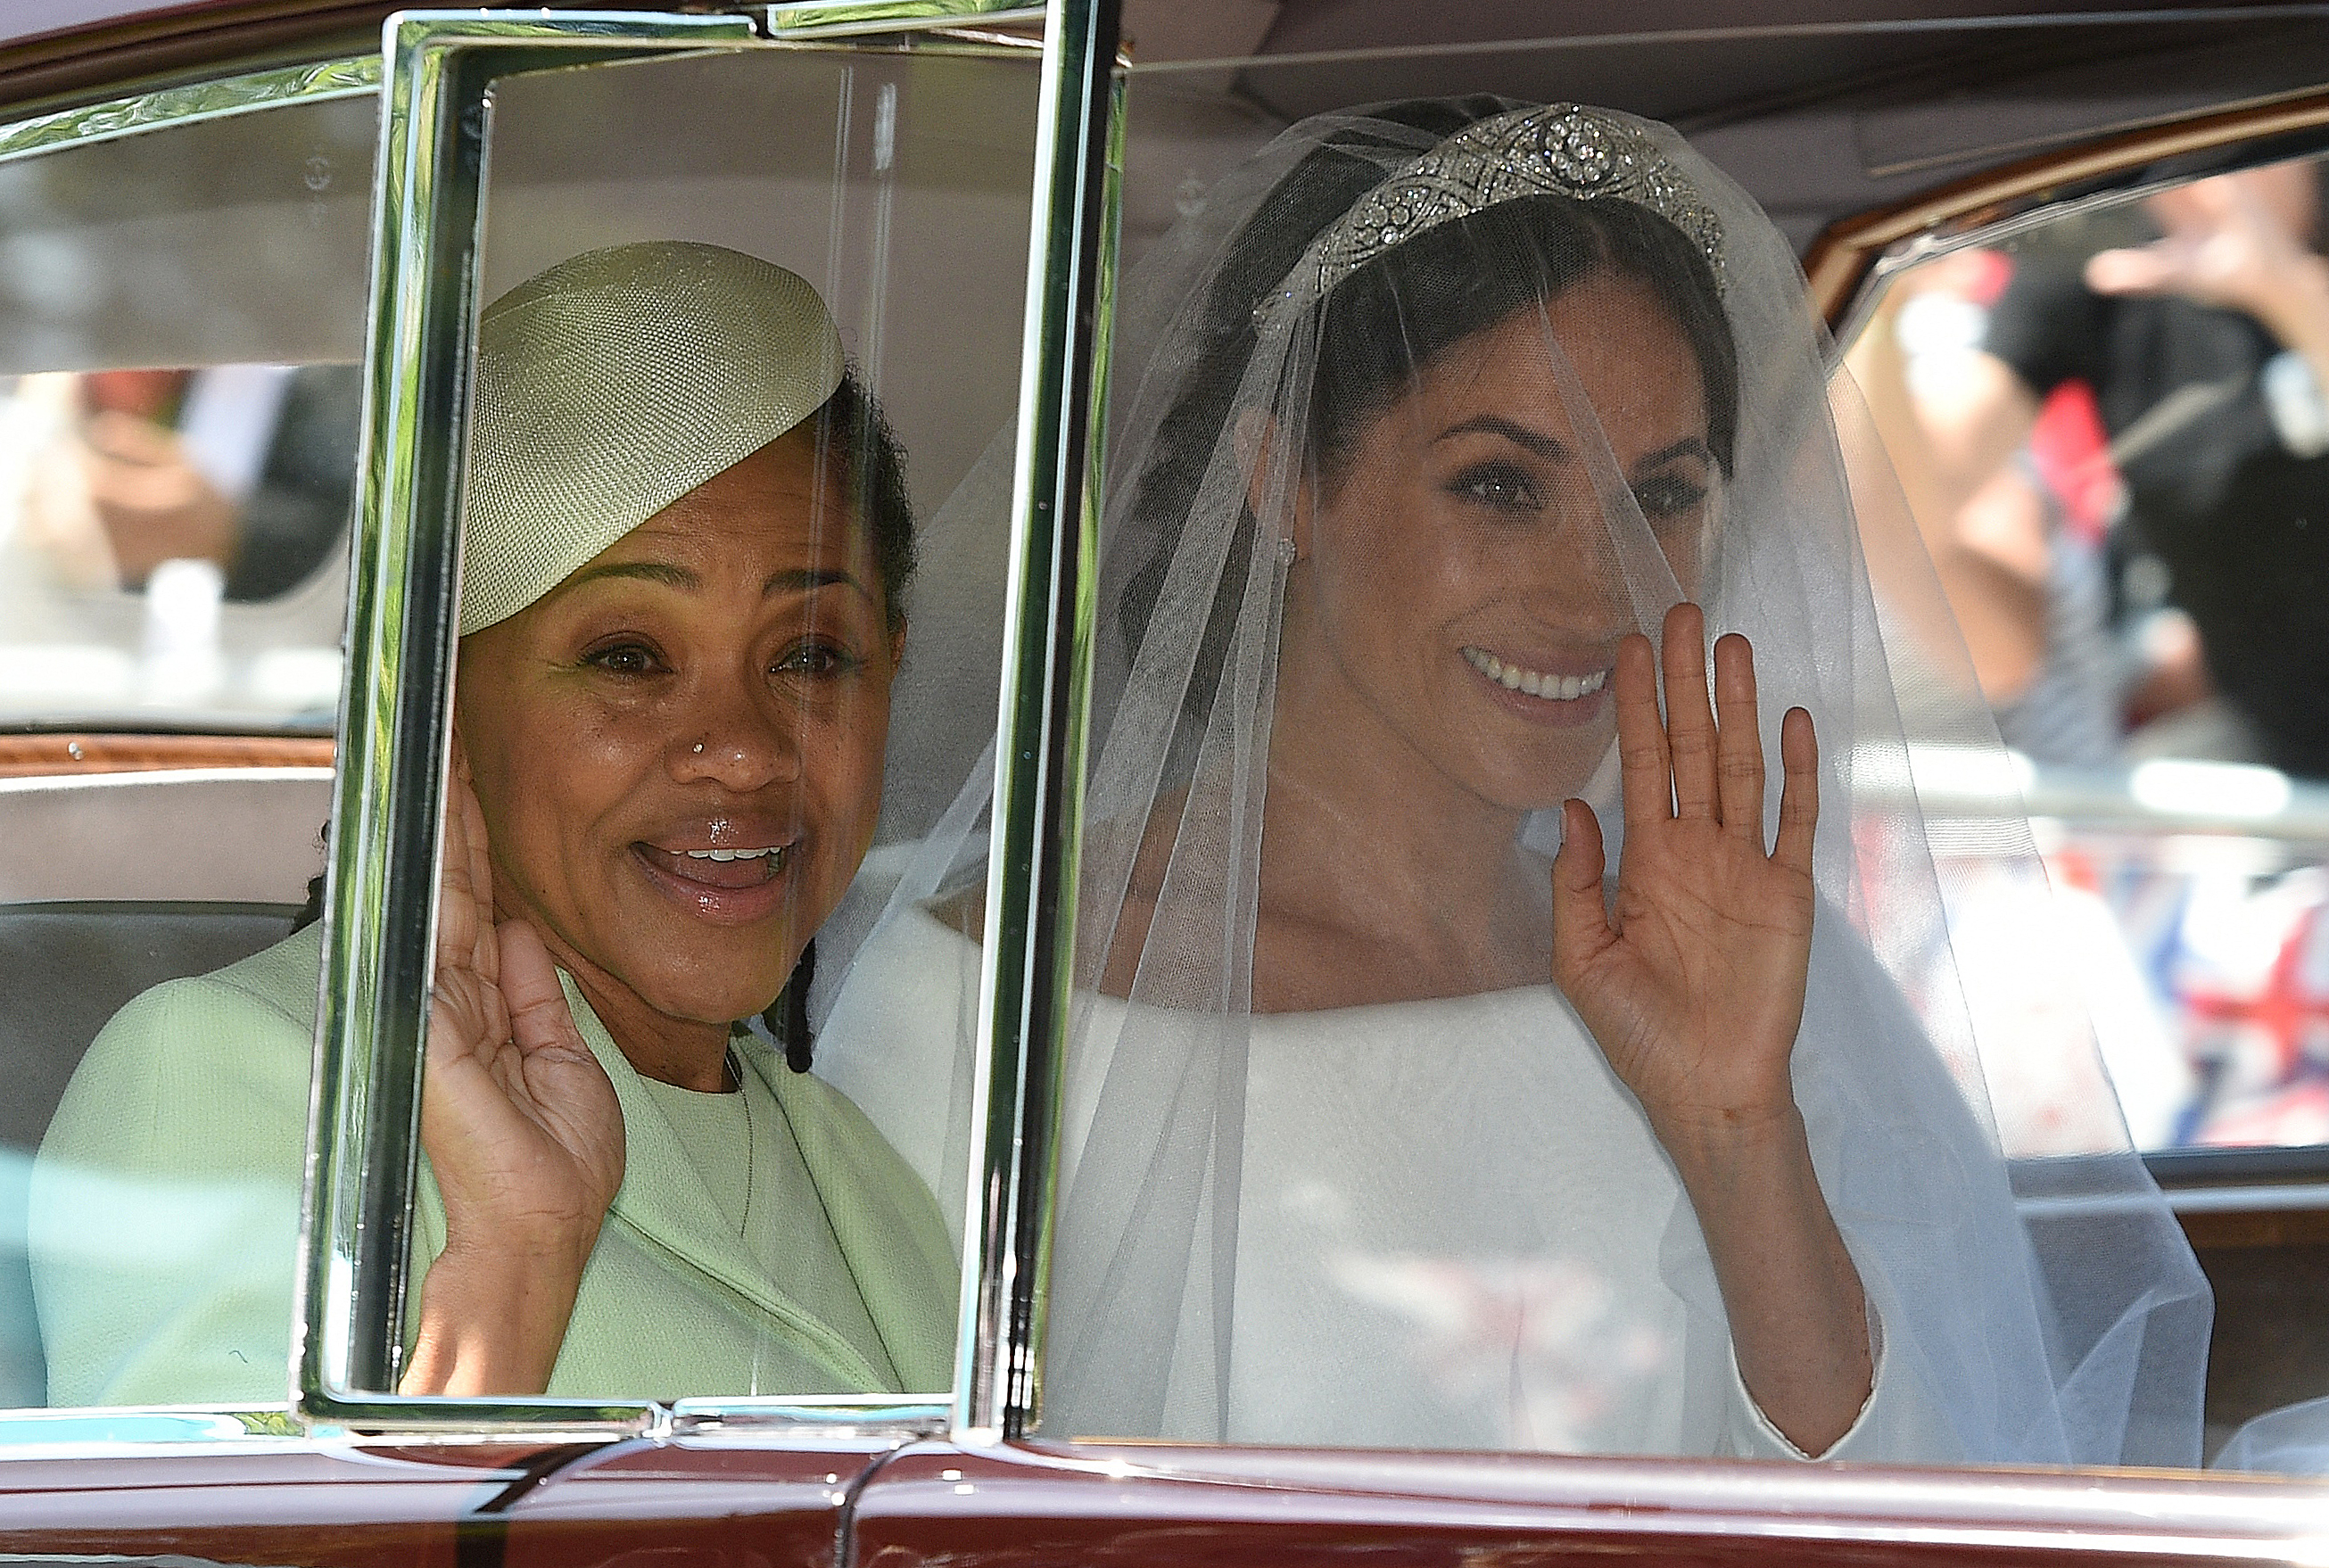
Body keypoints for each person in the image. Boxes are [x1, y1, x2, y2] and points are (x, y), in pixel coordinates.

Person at [814, 100, 2209, 1465]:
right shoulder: (972, 1019)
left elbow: (1907, 1503)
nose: (1595, 586)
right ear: (1282, 476)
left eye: (1660, 493)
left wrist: (1738, 1139)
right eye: (1497, 486)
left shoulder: (1736, 979)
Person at [29, 242, 955, 1406]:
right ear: (439, 711)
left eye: (811, 656)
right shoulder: (242, 1074)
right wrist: (512, 1265)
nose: (746, 750)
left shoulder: (858, 1165)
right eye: (629, 656)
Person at [1904, 160, 2329, 776]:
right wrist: (1876, 314)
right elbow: (1930, 475)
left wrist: (2285, 289)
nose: (2214, 173)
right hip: (2287, 771)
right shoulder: (2103, 263)